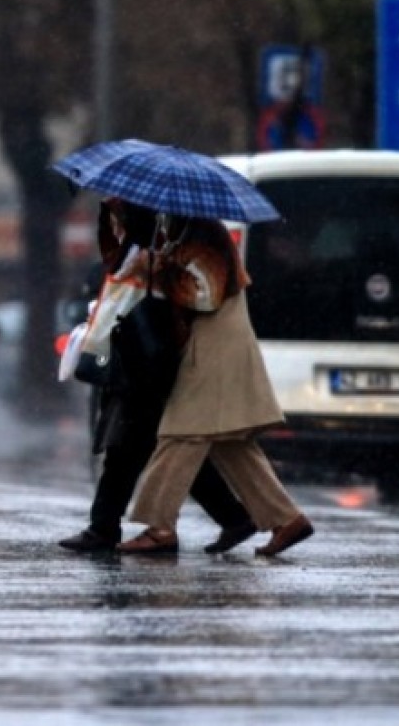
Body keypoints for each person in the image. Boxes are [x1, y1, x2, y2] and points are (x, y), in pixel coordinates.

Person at [58, 199, 257, 554]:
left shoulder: (157, 248)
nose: (114, 218)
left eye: (118, 212)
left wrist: (155, 269)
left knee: (130, 450)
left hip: (143, 362)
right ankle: (231, 517)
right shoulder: (137, 245)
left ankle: (106, 527)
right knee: (157, 451)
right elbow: (110, 270)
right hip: (132, 360)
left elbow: (179, 297)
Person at [117, 214, 313, 557]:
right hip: (213, 342)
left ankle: (159, 526)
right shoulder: (184, 233)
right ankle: (287, 519)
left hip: (216, 344)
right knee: (229, 440)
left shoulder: (205, 235)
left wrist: (156, 271)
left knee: (181, 432)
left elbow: (206, 297)